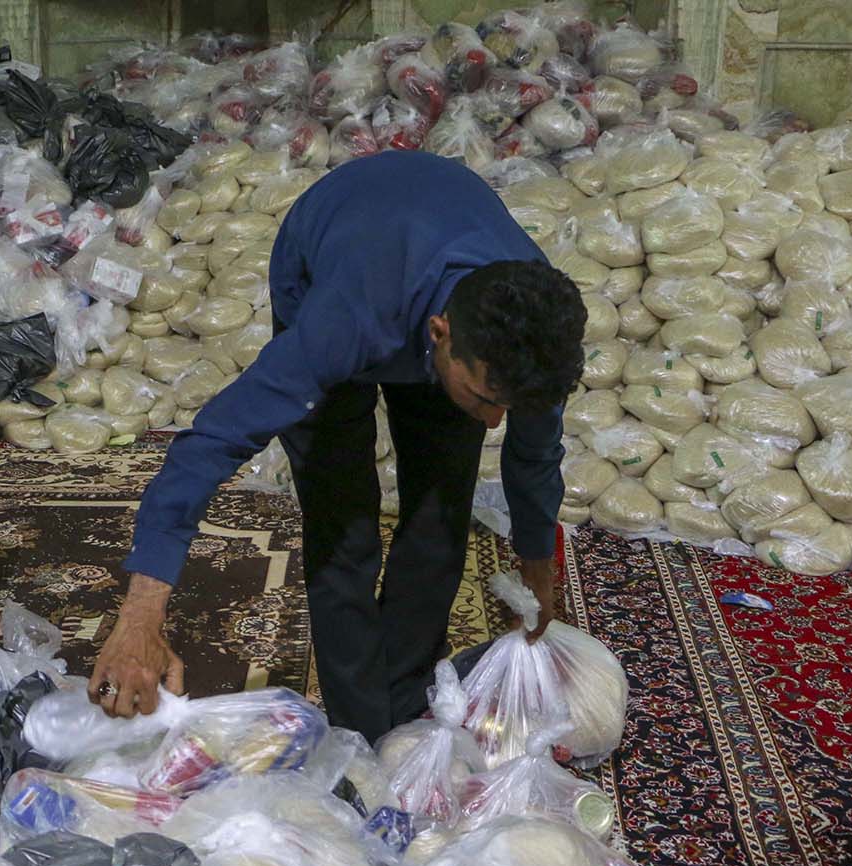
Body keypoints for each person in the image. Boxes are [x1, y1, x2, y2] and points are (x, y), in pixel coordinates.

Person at [89, 150, 587, 744]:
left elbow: (532, 454)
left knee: (439, 515)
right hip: (332, 260)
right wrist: (141, 612)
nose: (496, 419)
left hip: (433, 262)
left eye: (509, 405)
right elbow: (211, 442)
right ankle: (360, 737)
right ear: (440, 334)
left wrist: (536, 561)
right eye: (485, 399)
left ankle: (404, 713)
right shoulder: (341, 325)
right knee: (342, 523)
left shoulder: (533, 339)